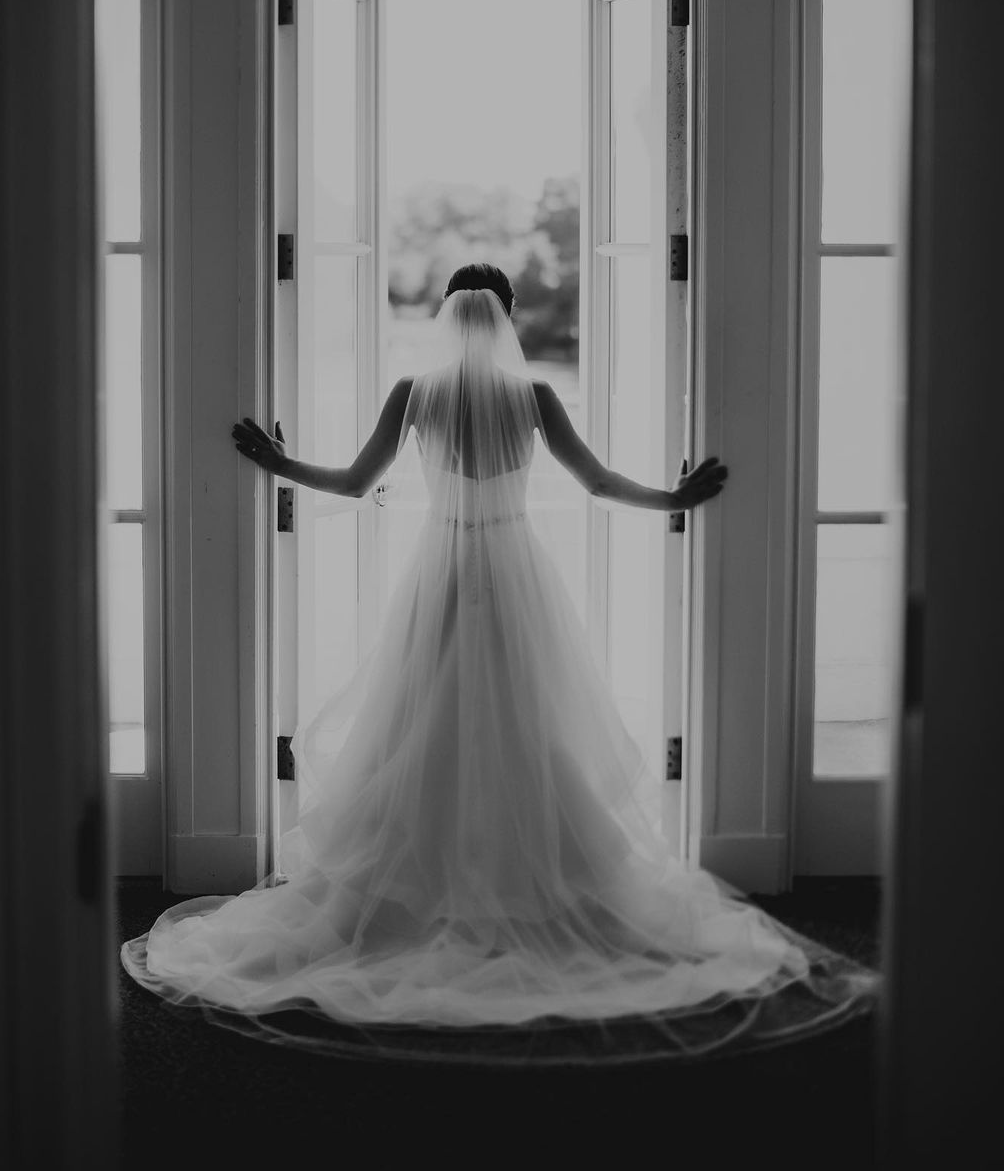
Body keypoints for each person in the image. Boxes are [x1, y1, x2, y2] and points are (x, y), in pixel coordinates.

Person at [121, 263, 876, 1063]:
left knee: (421, 727)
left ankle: (412, 892)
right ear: (509, 316)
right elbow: (597, 480)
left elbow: (350, 483)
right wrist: (675, 501)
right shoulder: (536, 398)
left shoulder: (416, 392)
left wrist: (275, 462)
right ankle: (532, 885)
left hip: (442, 572)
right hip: (516, 571)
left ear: (447, 315)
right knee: (527, 722)